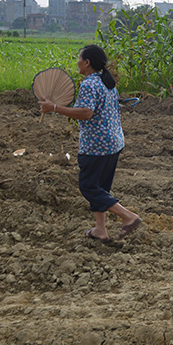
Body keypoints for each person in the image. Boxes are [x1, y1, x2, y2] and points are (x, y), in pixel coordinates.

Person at [39, 45, 141, 245]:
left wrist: (54, 108)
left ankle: (128, 216)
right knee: (101, 187)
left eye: (79, 58)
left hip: (97, 145)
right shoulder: (107, 83)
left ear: (86, 62)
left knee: (88, 186)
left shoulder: (89, 84)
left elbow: (86, 112)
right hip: (114, 142)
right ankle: (100, 230)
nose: (77, 61)